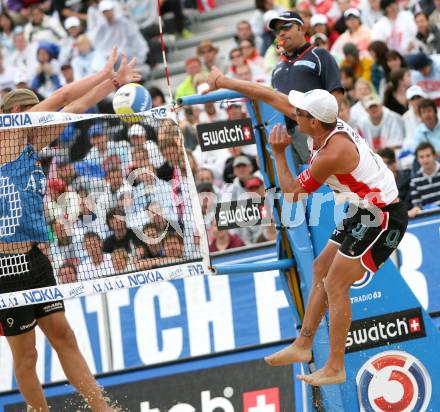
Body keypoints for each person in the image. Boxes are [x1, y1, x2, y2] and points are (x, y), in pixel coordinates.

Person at [204, 73, 407, 386]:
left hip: (383, 215)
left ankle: (335, 366)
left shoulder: (332, 153)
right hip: (364, 208)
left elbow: (292, 196)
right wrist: (223, 80)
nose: (292, 114)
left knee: (336, 284)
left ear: (313, 121)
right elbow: (270, 95)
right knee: (320, 267)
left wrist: (280, 153)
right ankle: (303, 344)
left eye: (299, 113)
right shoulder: (321, 124)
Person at [0, 47, 140, 411]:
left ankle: (102, 409)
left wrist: (114, 83)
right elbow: (61, 96)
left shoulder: (30, 143)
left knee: (65, 336)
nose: (44, 116)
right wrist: (102, 72)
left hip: (33, 257)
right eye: (34, 110)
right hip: (4, 268)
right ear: (18, 114)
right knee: (26, 354)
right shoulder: (6, 139)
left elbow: (73, 108)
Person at [267, 11, 343, 168]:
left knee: (326, 183)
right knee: (295, 188)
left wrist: (326, 133)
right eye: (277, 30)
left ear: (301, 28)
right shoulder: (276, 69)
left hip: (315, 130)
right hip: (285, 135)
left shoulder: (319, 55)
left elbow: (336, 93)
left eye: (287, 27)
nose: (281, 32)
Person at [408, 142, 440, 217]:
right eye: (421, 157)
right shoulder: (414, 181)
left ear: (434, 156)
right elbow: (417, 205)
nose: (425, 160)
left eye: (428, 156)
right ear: (417, 159)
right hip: (429, 218)